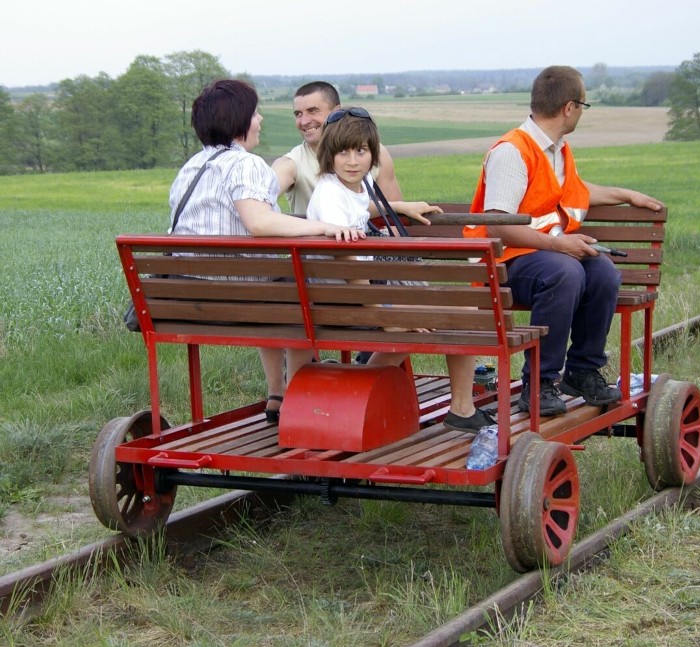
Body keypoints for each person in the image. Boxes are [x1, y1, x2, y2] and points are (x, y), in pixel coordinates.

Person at [466, 65, 663, 416]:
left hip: (541, 254)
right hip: (503, 263)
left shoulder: (557, 149)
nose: (582, 113)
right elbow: (497, 224)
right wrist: (560, 245)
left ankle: (582, 371)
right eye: (584, 105)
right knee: (565, 273)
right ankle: (538, 384)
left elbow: (575, 192)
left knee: (603, 273)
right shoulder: (513, 151)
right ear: (569, 108)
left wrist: (626, 194)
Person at [169, 79, 365, 424]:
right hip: (238, 294)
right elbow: (259, 222)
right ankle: (301, 390)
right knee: (302, 291)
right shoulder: (246, 164)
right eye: (255, 113)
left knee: (278, 288)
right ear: (241, 120)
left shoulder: (190, 168)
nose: (259, 119)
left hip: (188, 295)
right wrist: (322, 227)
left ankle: (278, 392)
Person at [290, 107, 491, 433]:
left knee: (461, 309)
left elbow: (358, 207)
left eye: (361, 151)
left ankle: (457, 406)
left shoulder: (348, 185)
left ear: (373, 152)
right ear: (329, 153)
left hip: (358, 289)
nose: (352, 160)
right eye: (343, 152)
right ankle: (360, 392)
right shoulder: (328, 194)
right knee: (448, 316)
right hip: (346, 296)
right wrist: (384, 315)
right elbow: (346, 262)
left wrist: (398, 206)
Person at [271, 81, 435, 224]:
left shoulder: (378, 152)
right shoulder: (290, 164)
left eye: (313, 111)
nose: (304, 121)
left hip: (367, 247)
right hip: (327, 253)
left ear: (337, 111)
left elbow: (394, 220)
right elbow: (257, 203)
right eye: (298, 114)